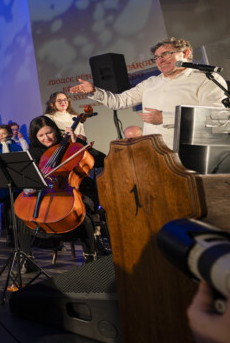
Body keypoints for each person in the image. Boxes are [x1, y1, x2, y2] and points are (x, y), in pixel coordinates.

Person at [70, 37, 227, 147]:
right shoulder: (151, 83)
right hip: (155, 154)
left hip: (189, 153)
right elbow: (119, 102)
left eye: (165, 54)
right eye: (156, 57)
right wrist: (94, 91)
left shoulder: (206, 79)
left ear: (185, 53)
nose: (160, 60)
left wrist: (165, 118)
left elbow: (217, 117)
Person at [17, 116, 97, 266]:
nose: (46, 138)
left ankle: (90, 256)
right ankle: (27, 260)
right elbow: (30, 175)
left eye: (49, 133)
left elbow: (99, 159)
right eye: (41, 135)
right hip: (47, 191)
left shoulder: (70, 144)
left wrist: (77, 142)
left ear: (55, 130)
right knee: (20, 215)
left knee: (82, 214)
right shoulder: (34, 151)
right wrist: (30, 185)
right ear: (35, 137)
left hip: (74, 190)